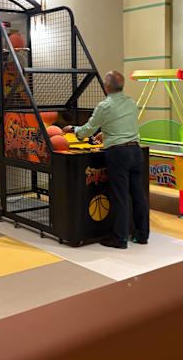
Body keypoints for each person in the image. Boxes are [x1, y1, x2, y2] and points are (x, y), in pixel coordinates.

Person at [63, 71, 149, 249]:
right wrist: (106, 132)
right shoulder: (131, 102)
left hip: (118, 154)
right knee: (138, 195)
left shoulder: (105, 105)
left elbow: (87, 130)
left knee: (120, 196)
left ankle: (120, 239)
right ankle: (142, 235)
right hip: (135, 151)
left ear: (106, 86)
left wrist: (73, 129)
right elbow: (124, 124)